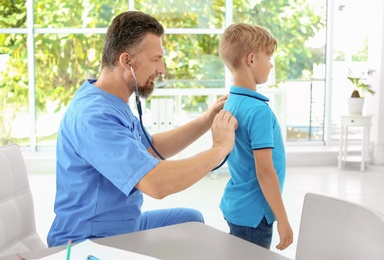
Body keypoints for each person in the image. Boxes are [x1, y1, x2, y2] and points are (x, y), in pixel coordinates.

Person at [47, 11, 237, 247]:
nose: (162, 69)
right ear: (126, 60)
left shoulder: (108, 100)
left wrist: (206, 120)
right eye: (156, 59)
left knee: (191, 221)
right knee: (192, 236)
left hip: (123, 224)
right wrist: (219, 149)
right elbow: (156, 184)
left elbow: (150, 148)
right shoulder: (94, 117)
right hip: (90, 241)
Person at [218, 23, 293, 250]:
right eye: (268, 57)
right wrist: (283, 219)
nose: (270, 65)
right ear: (251, 60)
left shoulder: (232, 101)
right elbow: (265, 171)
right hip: (255, 215)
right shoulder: (258, 111)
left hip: (238, 207)